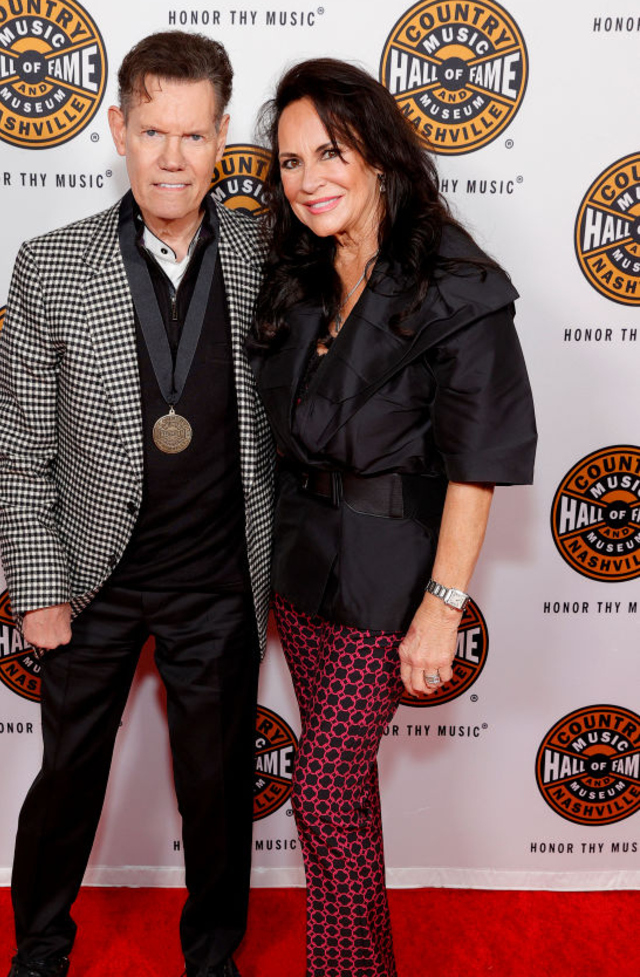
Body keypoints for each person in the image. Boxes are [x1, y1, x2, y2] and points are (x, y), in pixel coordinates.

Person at [0, 31, 274, 977]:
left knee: (218, 786)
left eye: (194, 136)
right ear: (119, 127)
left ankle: (213, 957)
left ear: (223, 135)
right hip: (92, 577)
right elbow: (20, 446)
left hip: (218, 580)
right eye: (153, 130)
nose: (173, 157)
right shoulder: (52, 263)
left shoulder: (266, 249)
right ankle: (39, 950)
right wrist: (38, 586)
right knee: (67, 778)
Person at [248, 59, 537, 977]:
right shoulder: (297, 274)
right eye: (289, 162)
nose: (308, 180)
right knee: (352, 801)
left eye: (328, 152)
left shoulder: (458, 283)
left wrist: (443, 606)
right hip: (302, 571)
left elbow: (476, 466)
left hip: (393, 578)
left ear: (378, 153)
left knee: (324, 800)